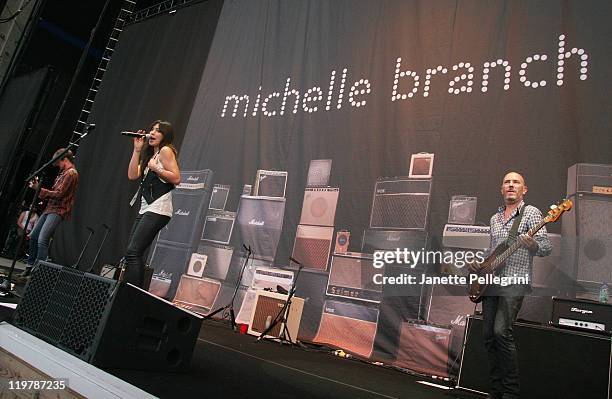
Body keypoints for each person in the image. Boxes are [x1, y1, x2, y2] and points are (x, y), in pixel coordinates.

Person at [479, 172, 552, 399]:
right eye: (507, 182)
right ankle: (496, 391)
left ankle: (511, 393)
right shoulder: (494, 218)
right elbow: (493, 252)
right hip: (492, 282)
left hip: (515, 281)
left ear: (524, 189)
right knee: (489, 335)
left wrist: (532, 244)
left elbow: (546, 246)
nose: (511, 185)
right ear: (502, 189)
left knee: (502, 332)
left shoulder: (531, 213)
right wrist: (479, 265)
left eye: (516, 182)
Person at [125, 120, 180, 288]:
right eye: (152, 129)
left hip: (158, 207)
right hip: (146, 207)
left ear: (165, 136)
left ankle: (132, 295)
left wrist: (157, 169)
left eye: (158, 130)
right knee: (132, 253)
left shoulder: (165, 151)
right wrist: (137, 150)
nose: (153, 133)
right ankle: (131, 292)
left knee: (133, 253)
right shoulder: (151, 155)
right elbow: (132, 174)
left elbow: (177, 178)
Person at [21, 148, 79, 276]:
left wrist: (39, 189)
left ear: (65, 159)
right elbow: (54, 193)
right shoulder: (63, 174)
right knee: (34, 236)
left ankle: (39, 271)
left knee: (42, 239)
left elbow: (60, 194)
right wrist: (39, 189)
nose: (58, 165)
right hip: (50, 208)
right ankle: (30, 266)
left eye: (58, 162)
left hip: (58, 210)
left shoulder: (71, 173)